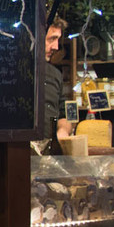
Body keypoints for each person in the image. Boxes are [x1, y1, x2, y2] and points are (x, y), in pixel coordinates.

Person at [44, 16, 71, 148]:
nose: (56, 47)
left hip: (50, 151)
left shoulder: (55, 74)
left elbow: (64, 114)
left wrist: (63, 130)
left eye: (58, 40)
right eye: (52, 39)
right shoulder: (17, 74)